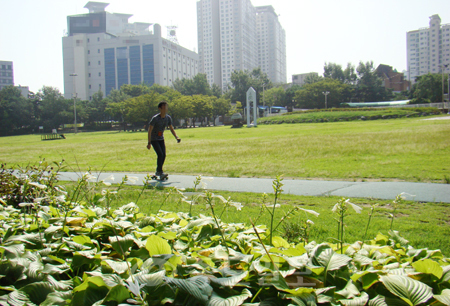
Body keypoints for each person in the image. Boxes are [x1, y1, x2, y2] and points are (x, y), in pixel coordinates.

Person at [147, 101, 180, 178]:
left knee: (164, 155)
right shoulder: (155, 118)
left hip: (161, 138)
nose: (166, 109)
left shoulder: (168, 118)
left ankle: (158, 171)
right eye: (164, 107)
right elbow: (150, 130)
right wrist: (149, 142)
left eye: (166, 107)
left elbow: (171, 128)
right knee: (160, 154)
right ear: (160, 108)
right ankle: (159, 171)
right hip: (154, 139)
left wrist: (176, 137)